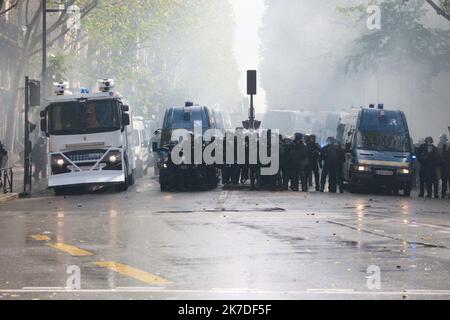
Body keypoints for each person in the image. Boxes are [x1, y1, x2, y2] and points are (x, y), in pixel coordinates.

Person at [438, 134, 449, 199]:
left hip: (445, 167)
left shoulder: (443, 145)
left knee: (445, 181)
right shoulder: (440, 145)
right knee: (444, 181)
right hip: (444, 167)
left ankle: (443, 194)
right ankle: (443, 194)